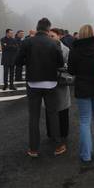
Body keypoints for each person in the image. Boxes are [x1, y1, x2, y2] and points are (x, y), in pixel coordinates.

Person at [15, 18, 66, 158]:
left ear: (37, 28)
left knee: (34, 117)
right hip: (50, 83)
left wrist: (30, 62)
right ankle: (58, 146)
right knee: (53, 115)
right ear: (48, 30)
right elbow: (60, 62)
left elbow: (17, 61)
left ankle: (33, 149)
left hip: (33, 83)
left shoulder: (27, 42)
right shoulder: (54, 42)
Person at [68, 24, 94, 162]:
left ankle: (86, 155)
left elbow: (71, 71)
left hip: (82, 88)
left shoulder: (75, 49)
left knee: (85, 121)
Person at [45, 28, 71, 139]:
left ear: (59, 36)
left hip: (61, 83)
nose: (50, 38)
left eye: (52, 36)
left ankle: (63, 133)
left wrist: (59, 69)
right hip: (47, 84)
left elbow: (70, 67)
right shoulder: (44, 48)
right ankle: (51, 133)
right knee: (50, 109)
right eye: (48, 36)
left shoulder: (65, 50)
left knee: (62, 109)